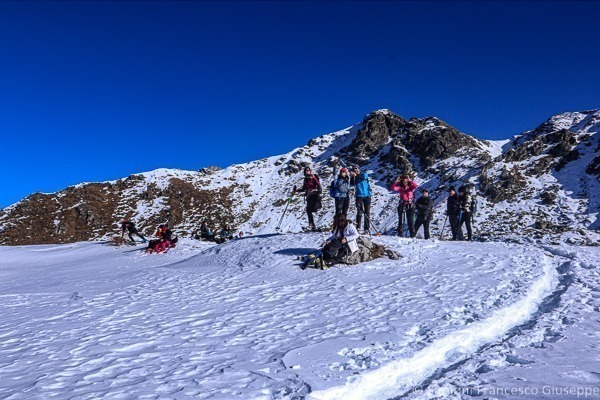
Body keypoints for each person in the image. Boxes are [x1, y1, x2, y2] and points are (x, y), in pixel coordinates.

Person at [294, 166, 322, 231]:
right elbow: (304, 189)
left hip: (314, 194)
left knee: (309, 209)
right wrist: (296, 190)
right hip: (309, 195)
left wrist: (314, 178)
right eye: (306, 170)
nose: (308, 171)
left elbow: (318, 185)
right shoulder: (306, 179)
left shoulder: (314, 176)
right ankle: (312, 225)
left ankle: (312, 225)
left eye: (308, 170)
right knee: (308, 210)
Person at [350, 165, 372, 233]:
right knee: (359, 212)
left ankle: (366, 228)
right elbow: (351, 184)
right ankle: (358, 227)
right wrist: (351, 177)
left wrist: (355, 175)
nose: (355, 170)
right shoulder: (355, 177)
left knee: (367, 212)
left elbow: (362, 177)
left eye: (356, 168)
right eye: (354, 169)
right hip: (359, 196)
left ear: (359, 169)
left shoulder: (364, 174)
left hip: (367, 195)